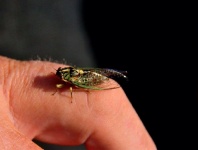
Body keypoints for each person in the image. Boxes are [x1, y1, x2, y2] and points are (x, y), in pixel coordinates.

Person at [0, 56, 156, 150]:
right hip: (84, 74)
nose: (59, 75)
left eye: (61, 74)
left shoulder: (68, 81)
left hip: (86, 79)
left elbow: (72, 86)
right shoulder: (63, 76)